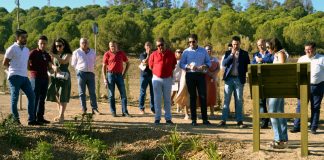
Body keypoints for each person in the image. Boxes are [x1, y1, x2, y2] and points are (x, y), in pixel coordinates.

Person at [2, 29, 40, 125]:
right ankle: (16, 119)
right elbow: (5, 63)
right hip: (14, 76)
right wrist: (10, 72)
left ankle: (31, 120)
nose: (25, 39)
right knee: (15, 98)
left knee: (32, 96)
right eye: (23, 37)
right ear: (17, 38)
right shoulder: (11, 48)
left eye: (26, 37)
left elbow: (26, 64)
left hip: (24, 77)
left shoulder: (27, 50)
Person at [290, 42, 324, 134]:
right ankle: (297, 126)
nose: (307, 51)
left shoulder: (322, 58)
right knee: (300, 106)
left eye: (309, 49)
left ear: (314, 49)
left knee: (315, 107)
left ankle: (313, 127)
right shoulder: (301, 59)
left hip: (318, 86)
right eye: (306, 49)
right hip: (303, 86)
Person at [218, 36, 250, 128]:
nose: (235, 46)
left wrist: (243, 73)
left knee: (239, 100)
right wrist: (232, 55)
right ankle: (223, 120)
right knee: (226, 100)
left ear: (240, 43)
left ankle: (239, 121)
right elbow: (224, 64)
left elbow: (248, 66)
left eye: (237, 44)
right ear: (231, 45)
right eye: (233, 44)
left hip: (239, 79)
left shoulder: (244, 53)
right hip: (229, 79)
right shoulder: (228, 53)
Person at [180, 34, 211, 126]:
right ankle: (194, 120)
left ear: (197, 41)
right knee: (192, 97)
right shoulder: (185, 52)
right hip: (190, 75)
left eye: (193, 41)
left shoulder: (203, 50)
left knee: (203, 96)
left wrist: (204, 66)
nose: (191, 43)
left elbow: (208, 62)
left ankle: (205, 119)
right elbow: (181, 64)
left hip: (200, 75)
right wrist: (188, 66)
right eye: (189, 42)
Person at [148, 38, 177, 125]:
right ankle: (157, 118)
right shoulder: (153, 54)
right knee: (157, 99)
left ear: (165, 44)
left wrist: (167, 71)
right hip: (156, 79)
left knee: (167, 99)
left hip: (167, 78)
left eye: (161, 45)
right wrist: (157, 71)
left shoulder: (171, 54)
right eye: (158, 45)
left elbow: (173, 65)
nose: (160, 47)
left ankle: (168, 119)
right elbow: (150, 66)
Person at [267, 38, 289, 149]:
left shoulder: (280, 54)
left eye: (268, 47)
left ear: (274, 47)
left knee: (272, 111)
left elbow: (281, 69)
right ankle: (283, 138)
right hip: (279, 86)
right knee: (280, 112)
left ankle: (278, 139)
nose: (267, 49)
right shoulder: (280, 53)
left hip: (278, 86)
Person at [71, 38, 101, 115]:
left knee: (92, 92)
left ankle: (94, 109)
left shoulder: (92, 52)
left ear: (88, 43)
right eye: (82, 43)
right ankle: (84, 109)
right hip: (81, 74)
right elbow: (73, 64)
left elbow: (94, 61)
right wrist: (78, 71)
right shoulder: (76, 52)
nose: (84, 44)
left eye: (85, 42)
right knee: (82, 93)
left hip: (91, 74)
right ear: (80, 44)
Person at [28, 35, 53, 124]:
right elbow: (27, 64)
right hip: (35, 78)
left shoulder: (47, 55)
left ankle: (40, 117)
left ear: (46, 44)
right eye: (41, 43)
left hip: (45, 79)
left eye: (44, 43)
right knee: (35, 98)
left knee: (42, 99)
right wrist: (31, 71)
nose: (43, 45)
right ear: (38, 43)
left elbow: (50, 67)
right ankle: (32, 119)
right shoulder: (33, 53)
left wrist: (53, 70)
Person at [47, 38, 72, 123]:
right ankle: (60, 115)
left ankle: (61, 116)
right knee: (57, 96)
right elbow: (50, 64)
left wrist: (54, 55)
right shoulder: (54, 54)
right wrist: (54, 67)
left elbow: (64, 62)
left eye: (60, 46)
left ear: (64, 46)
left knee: (63, 96)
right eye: (56, 46)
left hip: (64, 76)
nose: (58, 47)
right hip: (55, 76)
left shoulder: (67, 54)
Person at [102, 41, 130, 117]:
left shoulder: (121, 53)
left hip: (119, 76)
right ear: (109, 47)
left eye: (114, 46)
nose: (112, 47)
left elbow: (128, 63)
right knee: (111, 95)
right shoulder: (107, 54)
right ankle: (113, 112)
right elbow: (104, 67)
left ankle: (125, 112)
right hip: (110, 75)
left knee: (123, 94)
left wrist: (124, 74)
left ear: (117, 46)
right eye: (111, 46)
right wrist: (104, 79)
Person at [251, 39, 273, 129]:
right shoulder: (255, 55)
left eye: (262, 44)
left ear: (265, 44)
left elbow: (271, 60)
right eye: (259, 45)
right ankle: (264, 122)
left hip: (270, 80)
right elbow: (252, 64)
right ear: (257, 46)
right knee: (261, 103)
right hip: (260, 80)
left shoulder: (270, 53)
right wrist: (259, 61)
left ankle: (273, 121)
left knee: (271, 102)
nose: (261, 46)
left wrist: (261, 60)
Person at [138, 42, 155, 114]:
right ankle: (141, 108)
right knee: (142, 92)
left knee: (153, 93)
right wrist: (148, 55)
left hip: (153, 75)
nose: (148, 47)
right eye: (147, 46)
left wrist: (148, 62)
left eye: (150, 45)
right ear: (145, 47)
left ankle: (153, 109)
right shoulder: (142, 54)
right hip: (144, 76)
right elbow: (144, 62)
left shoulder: (154, 54)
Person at [205, 45, 220, 119]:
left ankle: (212, 113)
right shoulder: (203, 59)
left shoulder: (215, 59)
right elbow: (203, 68)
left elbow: (218, 68)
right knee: (205, 95)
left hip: (213, 79)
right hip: (205, 79)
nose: (209, 51)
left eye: (210, 49)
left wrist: (213, 74)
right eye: (207, 50)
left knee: (212, 95)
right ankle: (204, 113)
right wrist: (209, 73)